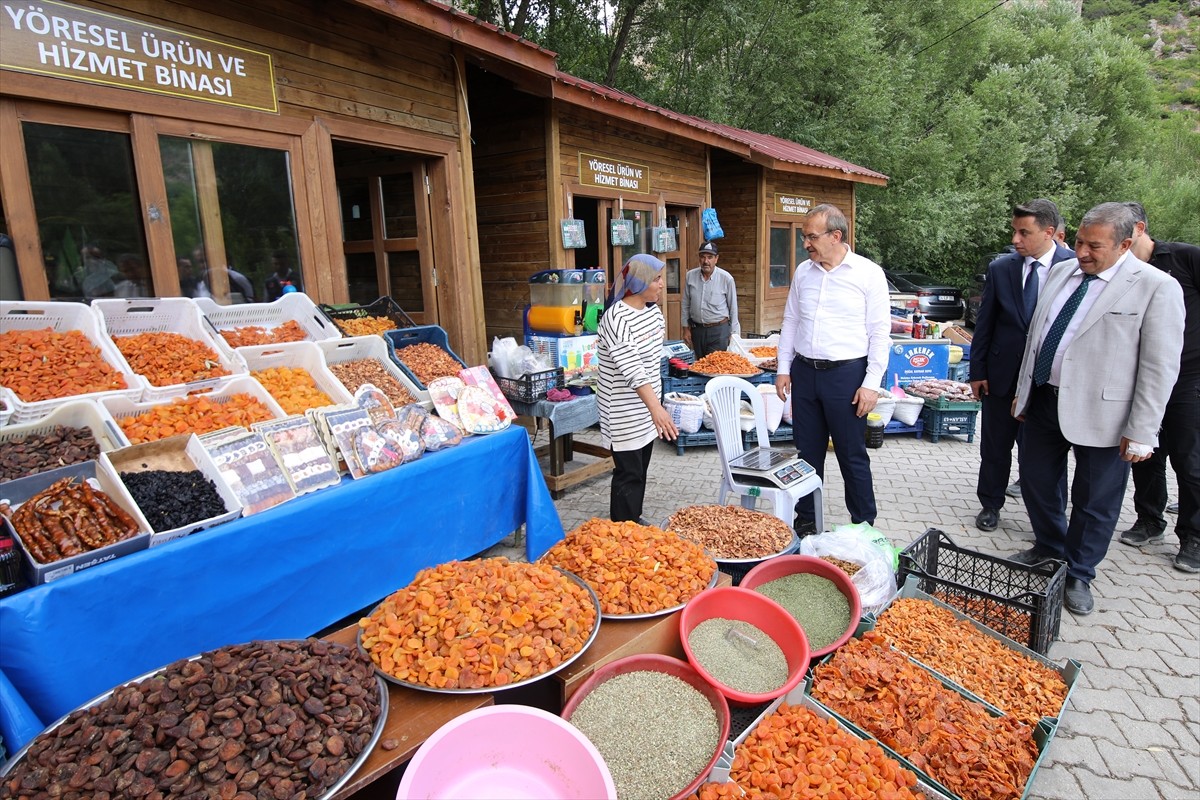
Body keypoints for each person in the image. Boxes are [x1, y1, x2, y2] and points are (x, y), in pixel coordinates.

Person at [1009, 202, 1185, 615]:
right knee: (1036, 482)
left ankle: (1079, 572)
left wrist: (1143, 430)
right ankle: (1050, 548)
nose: (1082, 253)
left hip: (1106, 414)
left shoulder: (1156, 287)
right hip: (1044, 400)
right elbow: (1037, 337)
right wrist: (1023, 391)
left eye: (1095, 246)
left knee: (1095, 499)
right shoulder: (1062, 272)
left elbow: (1160, 366)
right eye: (1080, 242)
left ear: (1125, 244)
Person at [775, 203, 889, 534]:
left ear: (835, 236)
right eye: (804, 237)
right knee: (806, 455)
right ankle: (807, 524)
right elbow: (791, 320)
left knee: (852, 455)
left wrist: (871, 384)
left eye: (811, 237)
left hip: (847, 377)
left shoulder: (868, 274)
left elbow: (880, 334)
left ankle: (864, 528)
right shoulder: (803, 272)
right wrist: (784, 368)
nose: (805, 244)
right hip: (805, 375)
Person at [970, 199, 1074, 531]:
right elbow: (985, 324)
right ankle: (990, 504)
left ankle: (1049, 515)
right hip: (1003, 376)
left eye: (1023, 233)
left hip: (1048, 382)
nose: (1015, 240)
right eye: (1014, 231)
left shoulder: (1074, 268)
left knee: (1045, 454)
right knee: (995, 447)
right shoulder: (1002, 269)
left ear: (1050, 233)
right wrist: (978, 372)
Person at [1117, 202, 1200, 573]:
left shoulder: (1185, 258)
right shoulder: (1121, 270)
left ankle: (1194, 537)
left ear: (1138, 228)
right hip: (1141, 377)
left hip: (1187, 378)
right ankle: (1150, 520)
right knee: (1143, 450)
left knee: (1189, 459)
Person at [596, 253, 679, 522]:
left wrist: (657, 405)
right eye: (656, 279)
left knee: (641, 467)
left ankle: (634, 519)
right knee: (628, 472)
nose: (661, 284)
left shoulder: (654, 314)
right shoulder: (615, 319)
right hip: (622, 410)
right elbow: (633, 370)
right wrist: (657, 409)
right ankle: (622, 529)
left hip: (647, 406)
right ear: (640, 281)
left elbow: (653, 362)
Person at [681, 240, 740, 358]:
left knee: (714, 367)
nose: (706, 261)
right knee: (699, 366)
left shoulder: (726, 278)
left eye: (710, 257)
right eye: (702, 257)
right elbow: (685, 303)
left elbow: (733, 307)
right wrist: (685, 329)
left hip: (718, 331)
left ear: (716, 259)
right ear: (699, 258)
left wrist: (734, 334)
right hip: (697, 330)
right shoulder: (690, 276)